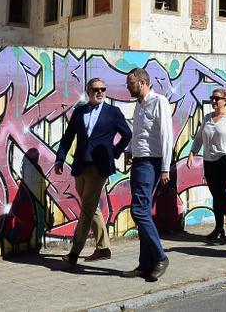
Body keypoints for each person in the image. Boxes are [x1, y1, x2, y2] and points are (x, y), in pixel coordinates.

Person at [52, 78, 131, 269]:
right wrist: (60, 158)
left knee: (87, 209)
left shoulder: (113, 112)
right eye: (96, 89)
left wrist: (114, 152)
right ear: (88, 92)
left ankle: (74, 253)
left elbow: (127, 134)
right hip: (80, 166)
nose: (100, 92)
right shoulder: (80, 111)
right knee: (91, 206)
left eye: (103, 89)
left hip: (99, 168)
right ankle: (103, 248)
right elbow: (68, 137)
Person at [121, 67, 174, 282]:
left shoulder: (158, 101)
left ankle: (160, 257)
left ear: (142, 83)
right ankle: (145, 265)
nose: (128, 87)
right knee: (142, 211)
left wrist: (165, 168)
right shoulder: (139, 104)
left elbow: (166, 135)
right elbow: (139, 134)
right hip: (139, 161)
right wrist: (129, 151)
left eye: (130, 84)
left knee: (139, 211)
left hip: (151, 163)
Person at [187, 87, 226, 243]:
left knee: (219, 192)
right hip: (209, 161)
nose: (214, 101)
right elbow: (199, 137)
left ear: (225, 101)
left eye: (217, 98)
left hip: (225, 159)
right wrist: (192, 153)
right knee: (216, 194)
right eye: (212, 98)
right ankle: (222, 226)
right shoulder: (207, 118)